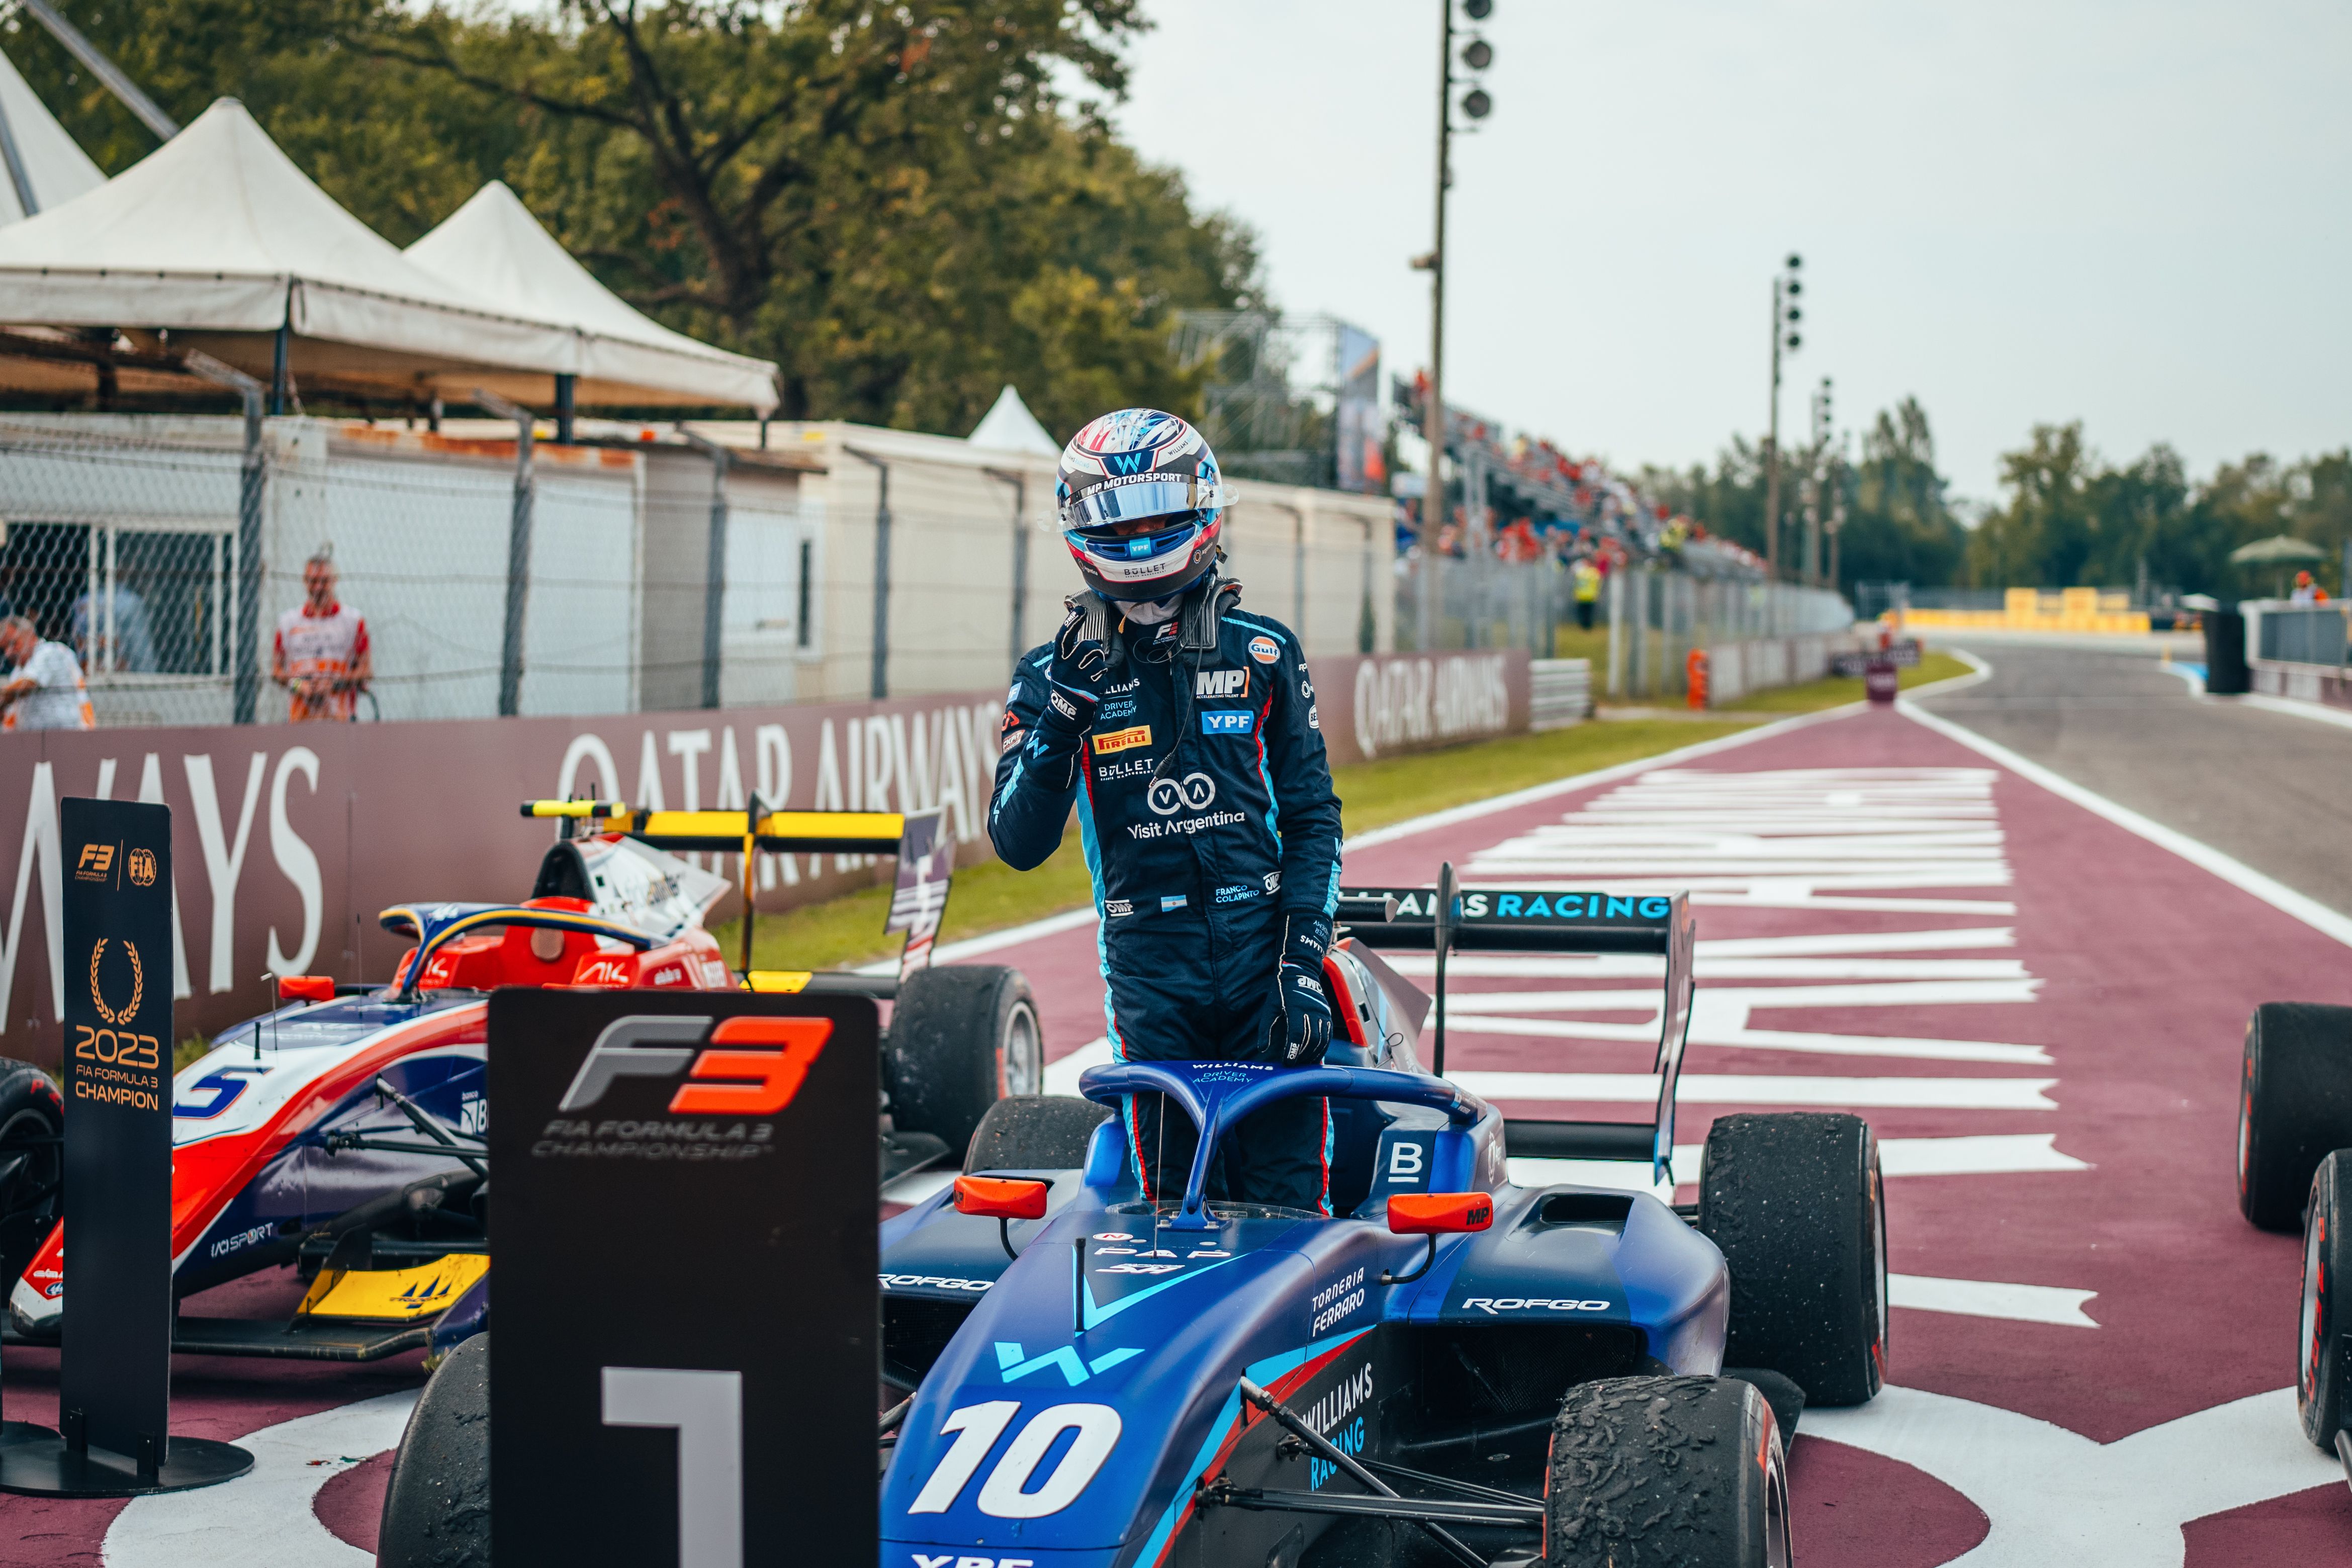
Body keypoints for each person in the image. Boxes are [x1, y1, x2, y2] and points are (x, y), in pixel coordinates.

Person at [989, 408, 1343, 1214]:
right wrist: (1060, 722)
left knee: (1289, 1202)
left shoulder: (1265, 651)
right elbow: (1015, 842)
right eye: (1119, 517)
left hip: (1265, 954)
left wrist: (1300, 962)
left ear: (1201, 504)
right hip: (1150, 964)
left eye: (1157, 512)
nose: (1141, 535)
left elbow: (1314, 821)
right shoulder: (1050, 673)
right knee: (1172, 1208)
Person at [273, 551, 371, 722]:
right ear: (305, 582)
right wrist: (298, 685)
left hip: (340, 719)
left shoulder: (353, 621)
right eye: (313, 581)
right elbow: (277, 671)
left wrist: (334, 684)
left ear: (334, 581)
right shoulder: (288, 622)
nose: (318, 587)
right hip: (300, 720)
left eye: (324, 582)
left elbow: (366, 670)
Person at [0, 616, 94, 731]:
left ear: (31, 637)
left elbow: (27, 684)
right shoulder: (18, 672)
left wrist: (4, 697)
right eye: (4, 649)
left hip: (71, 733)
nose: (8, 653)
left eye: (13, 644)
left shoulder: (51, 651)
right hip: (40, 739)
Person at [1572, 556, 1602, 630]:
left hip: (1587, 596)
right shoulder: (1594, 572)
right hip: (1585, 595)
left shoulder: (1583, 572)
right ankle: (1585, 626)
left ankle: (1586, 626)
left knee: (1586, 613)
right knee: (1585, 612)